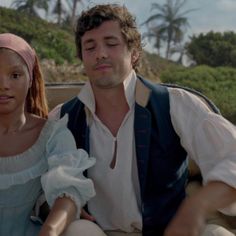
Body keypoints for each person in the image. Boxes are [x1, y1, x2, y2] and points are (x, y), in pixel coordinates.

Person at [50, 4, 236, 236]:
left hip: (169, 231)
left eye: (111, 43)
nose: (100, 53)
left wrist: (196, 206)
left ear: (134, 52)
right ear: (82, 58)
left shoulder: (175, 104)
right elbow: (35, 185)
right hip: (96, 231)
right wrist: (63, 206)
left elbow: (232, 158)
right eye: (90, 47)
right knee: (77, 231)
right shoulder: (62, 117)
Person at [0, 33, 107, 236]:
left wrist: (49, 230)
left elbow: (67, 190)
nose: (3, 85)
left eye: (15, 75)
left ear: (30, 78)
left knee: (84, 231)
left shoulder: (51, 133)